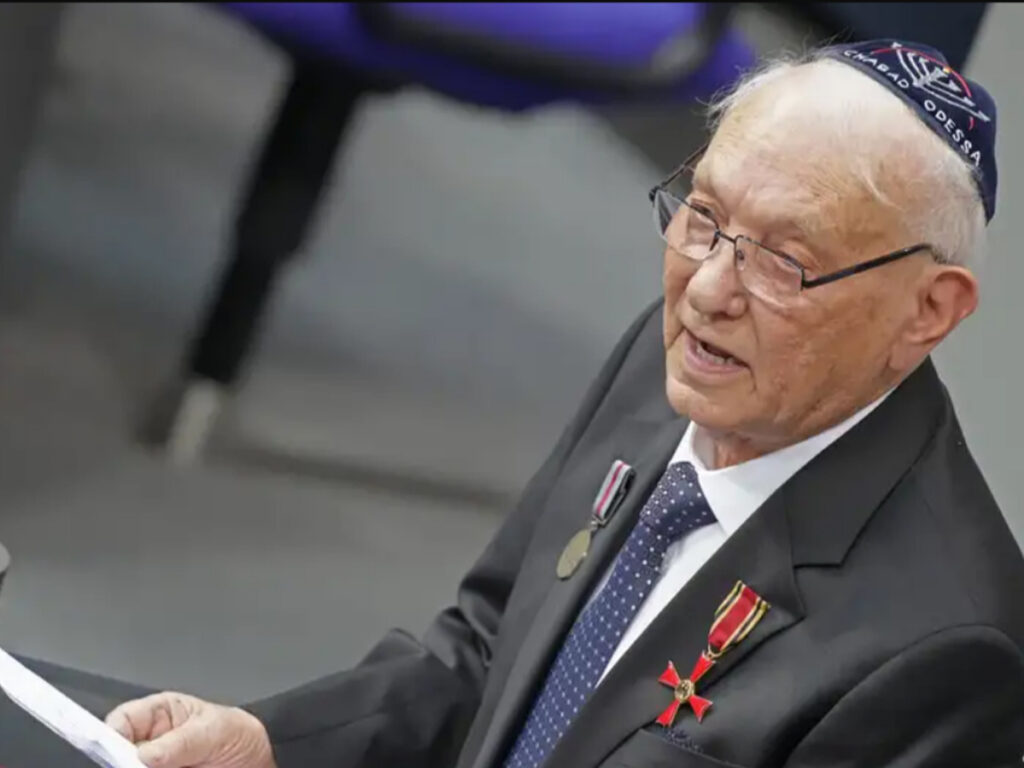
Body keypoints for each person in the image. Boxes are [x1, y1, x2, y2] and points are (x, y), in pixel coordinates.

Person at [105, 39, 1024, 768]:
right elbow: (488, 652)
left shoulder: (947, 652)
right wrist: (275, 745)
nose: (706, 291)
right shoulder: (678, 360)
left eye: (785, 262)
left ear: (928, 310)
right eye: (703, 215)